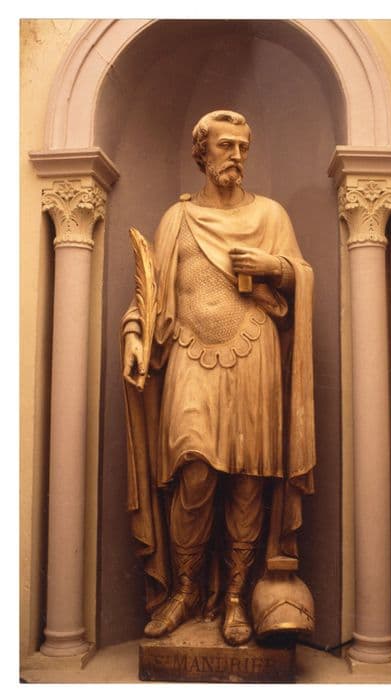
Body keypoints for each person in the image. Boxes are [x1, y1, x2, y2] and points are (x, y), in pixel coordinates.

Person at [122, 110, 315, 647]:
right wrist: (135, 335)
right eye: (226, 146)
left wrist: (275, 268)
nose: (236, 156)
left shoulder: (271, 215)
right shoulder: (177, 219)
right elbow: (149, 294)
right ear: (201, 152)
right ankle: (185, 590)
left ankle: (235, 598)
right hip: (188, 354)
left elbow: (301, 275)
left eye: (243, 147)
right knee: (195, 473)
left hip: (254, 353)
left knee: (248, 481)